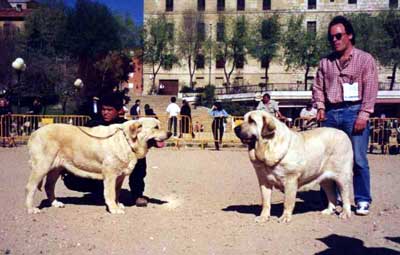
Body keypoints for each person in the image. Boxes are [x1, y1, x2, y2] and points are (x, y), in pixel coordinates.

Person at [312, 16, 378, 216]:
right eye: (331, 37)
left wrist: (364, 114)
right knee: (327, 160)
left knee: (358, 158)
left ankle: (362, 199)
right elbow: (317, 87)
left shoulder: (365, 60)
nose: (335, 40)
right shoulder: (325, 63)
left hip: (354, 112)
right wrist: (321, 107)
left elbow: (371, 88)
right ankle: (332, 200)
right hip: (331, 114)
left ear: (349, 35)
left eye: (339, 35)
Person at [62, 93, 149, 207]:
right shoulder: (93, 124)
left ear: (118, 111)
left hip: (118, 163)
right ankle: (99, 192)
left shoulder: (125, 126)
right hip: (97, 163)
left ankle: (137, 194)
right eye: (103, 109)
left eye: (109, 110)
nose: (105, 112)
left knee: (139, 159)